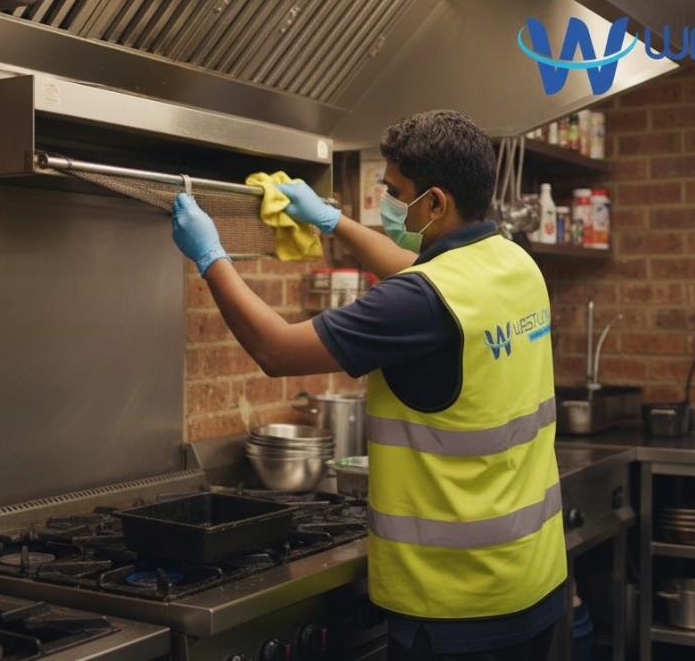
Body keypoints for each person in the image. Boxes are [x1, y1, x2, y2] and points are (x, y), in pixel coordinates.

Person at [171, 110, 566, 660]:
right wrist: (334, 222)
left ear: (435, 203)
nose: (388, 204)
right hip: (532, 580)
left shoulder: (420, 301)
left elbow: (276, 350)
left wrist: (211, 257)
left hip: (454, 601)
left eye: (396, 193)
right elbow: (418, 270)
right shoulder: (513, 263)